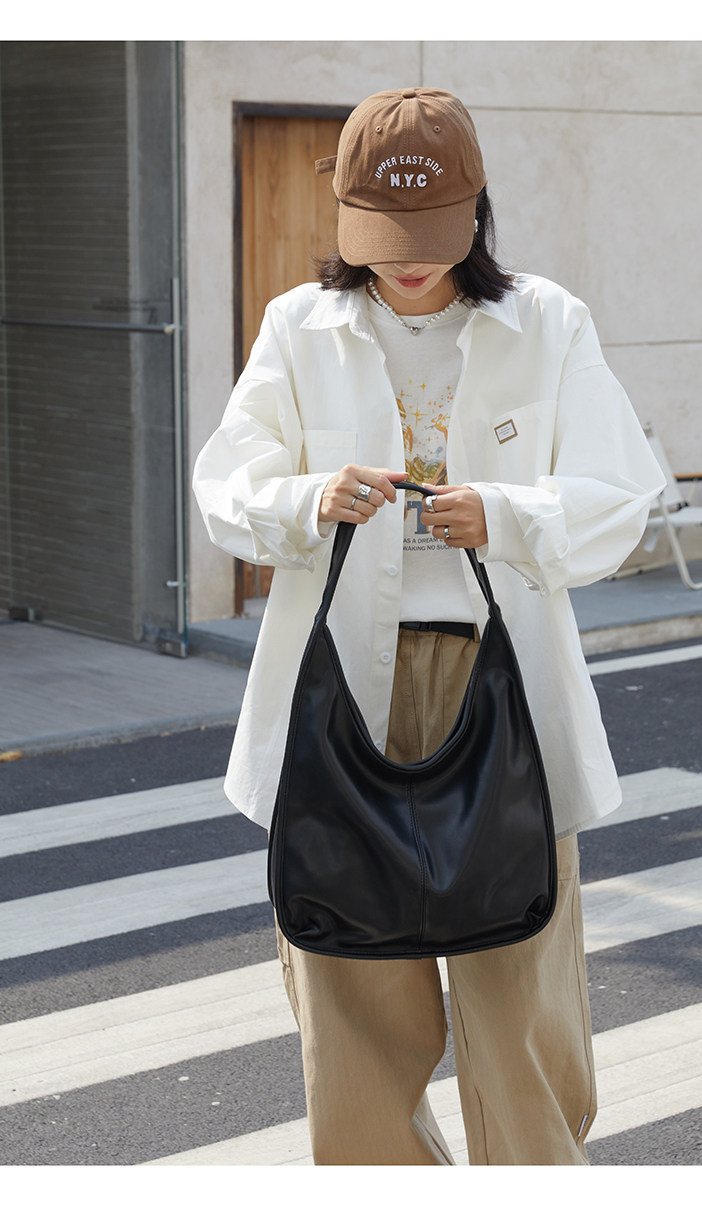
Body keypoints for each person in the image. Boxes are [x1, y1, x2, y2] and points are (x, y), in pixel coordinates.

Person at [193, 87, 665, 1165]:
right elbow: (226, 485)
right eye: (383, 237)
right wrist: (311, 498)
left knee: (521, 1014)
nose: (407, 264)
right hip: (340, 686)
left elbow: (619, 495)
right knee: (352, 1011)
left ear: (477, 211)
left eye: (432, 234)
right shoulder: (299, 327)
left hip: (505, 685)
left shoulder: (547, 321)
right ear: (344, 217)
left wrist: (505, 514)